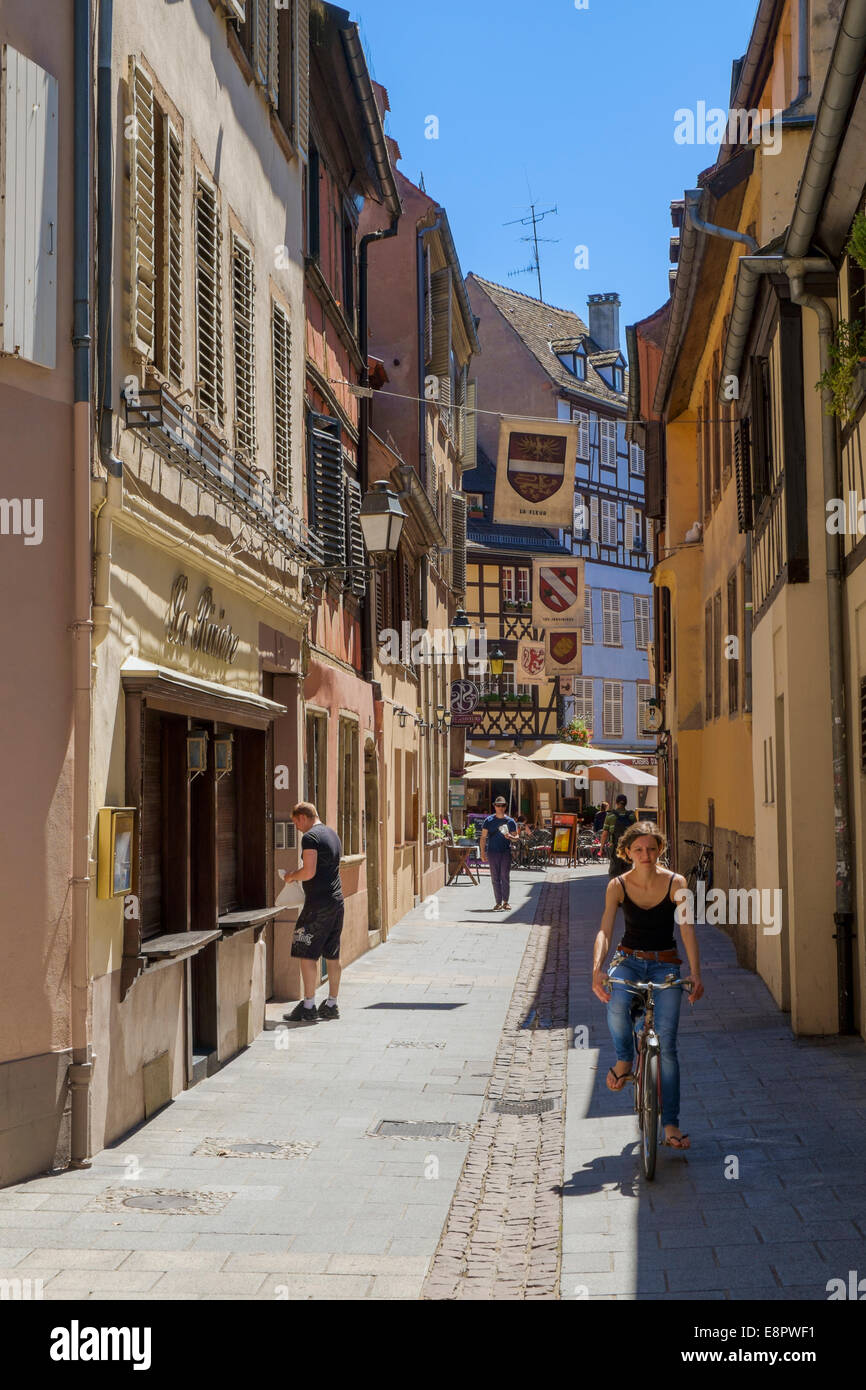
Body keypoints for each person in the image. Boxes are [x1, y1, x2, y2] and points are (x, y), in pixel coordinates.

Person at [591, 821, 704, 1149]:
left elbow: (686, 931)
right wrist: (597, 968)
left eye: (652, 849)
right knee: (616, 1005)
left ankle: (670, 1125)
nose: (646, 855)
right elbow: (605, 931)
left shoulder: (675, 882)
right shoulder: (617, 886)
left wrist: (696, 974)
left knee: (667, 1046)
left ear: (660, 851)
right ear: (627, 852)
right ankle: (625, 1060)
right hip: (628, 959)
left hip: (666, 964)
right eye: (638, 849)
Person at [281, 802, 344, 1024]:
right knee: (332, 954)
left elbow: (309, 872)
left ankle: (308, 1006)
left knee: (306, 952)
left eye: (296, 822)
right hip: (336, 901)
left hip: (318, 905)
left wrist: (290, 877)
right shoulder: (332, 834)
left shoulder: (310, 837)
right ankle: (332, 1004)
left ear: (303, 817)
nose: (296, 827)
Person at [479, 796, 520, 910]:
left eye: (503, 805)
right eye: (498, 805)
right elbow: (483, 837)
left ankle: (505, 902)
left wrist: (510, 836)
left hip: (505, 852)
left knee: (505, 876)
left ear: (505, 807)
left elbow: (516, 837)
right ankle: (498, 902)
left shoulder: (510, 821)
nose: (500, 808)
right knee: (495, 878)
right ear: (494, 806)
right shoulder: (489, 820)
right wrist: (482, 852)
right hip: (492, 852)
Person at [600, 795, 637, 877]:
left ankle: (615, 888)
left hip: (614, 848)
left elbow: (605, 834)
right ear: (626, 803)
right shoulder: (632, 815)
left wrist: (601, 848)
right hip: (628, 848)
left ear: (616, 803)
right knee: (628, 872)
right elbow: (636, 833)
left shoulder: (610, 815)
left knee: (614, 872)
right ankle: (626, 888)